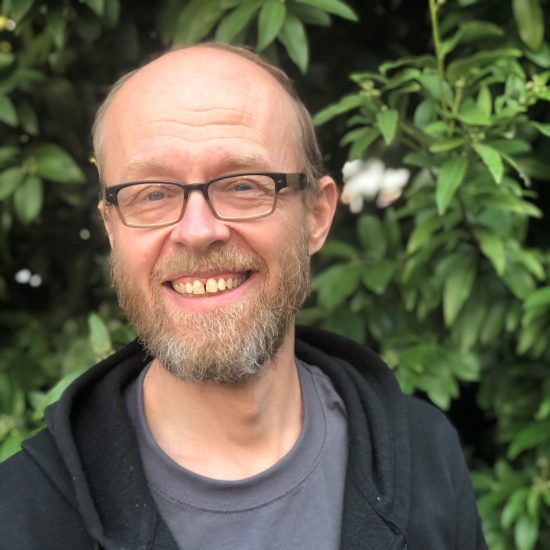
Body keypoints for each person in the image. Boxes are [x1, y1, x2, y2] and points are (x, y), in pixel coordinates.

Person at [0, 43, 486, 549]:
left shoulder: (426, 457)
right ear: (111, 228)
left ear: (317, 215)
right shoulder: (18, 518)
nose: (197, 231)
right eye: (153, 193)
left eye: (243, 185)